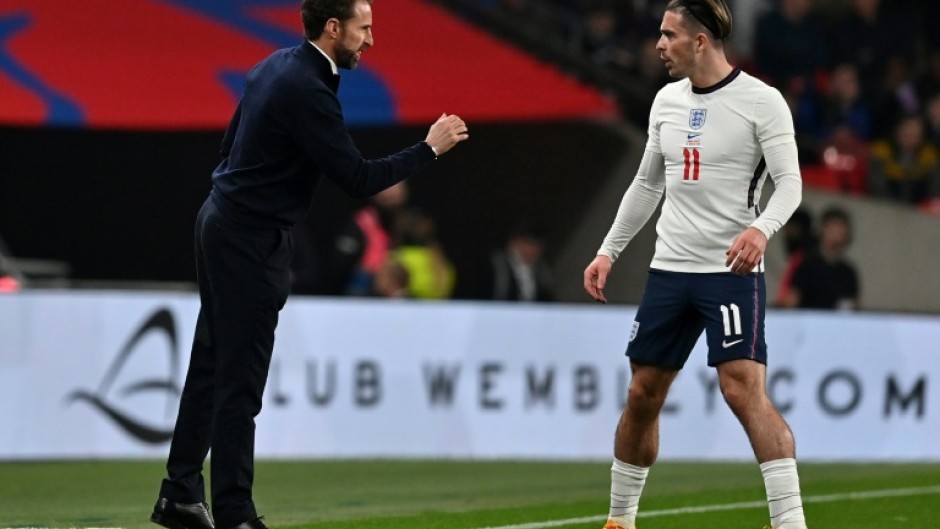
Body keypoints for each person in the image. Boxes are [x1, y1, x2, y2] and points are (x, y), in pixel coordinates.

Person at [149, 1, 469, 529]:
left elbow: (230, 146)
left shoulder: (274, 65)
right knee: (239, 381)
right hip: (249, 237)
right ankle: (234, 512)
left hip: (223, 219)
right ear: (334, 27)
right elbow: (358, 179)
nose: (371, 40)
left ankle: (180, 492)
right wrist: (428, 149)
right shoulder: (309, 89)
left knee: (211, 365)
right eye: (364, 28)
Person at [581, 2, 808, 529]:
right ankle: (620, 521)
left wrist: (761, 229)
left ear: (700, 41)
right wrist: (608, 251)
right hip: (669, 270)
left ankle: (790, 523)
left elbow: (790, 183)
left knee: (741, 389)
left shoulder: (762, 101)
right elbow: (647, 185)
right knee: (642, 394)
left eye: (669, 35)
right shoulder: (666, 101)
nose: (659, 45)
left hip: (729, 273)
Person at [783, 206, 859, 310]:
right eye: (834, 228)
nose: (838, 234)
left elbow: (854, 306)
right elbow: (790, 303)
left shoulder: (848, 272)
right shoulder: (806, 266)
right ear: (823, 230)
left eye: (842, 230)